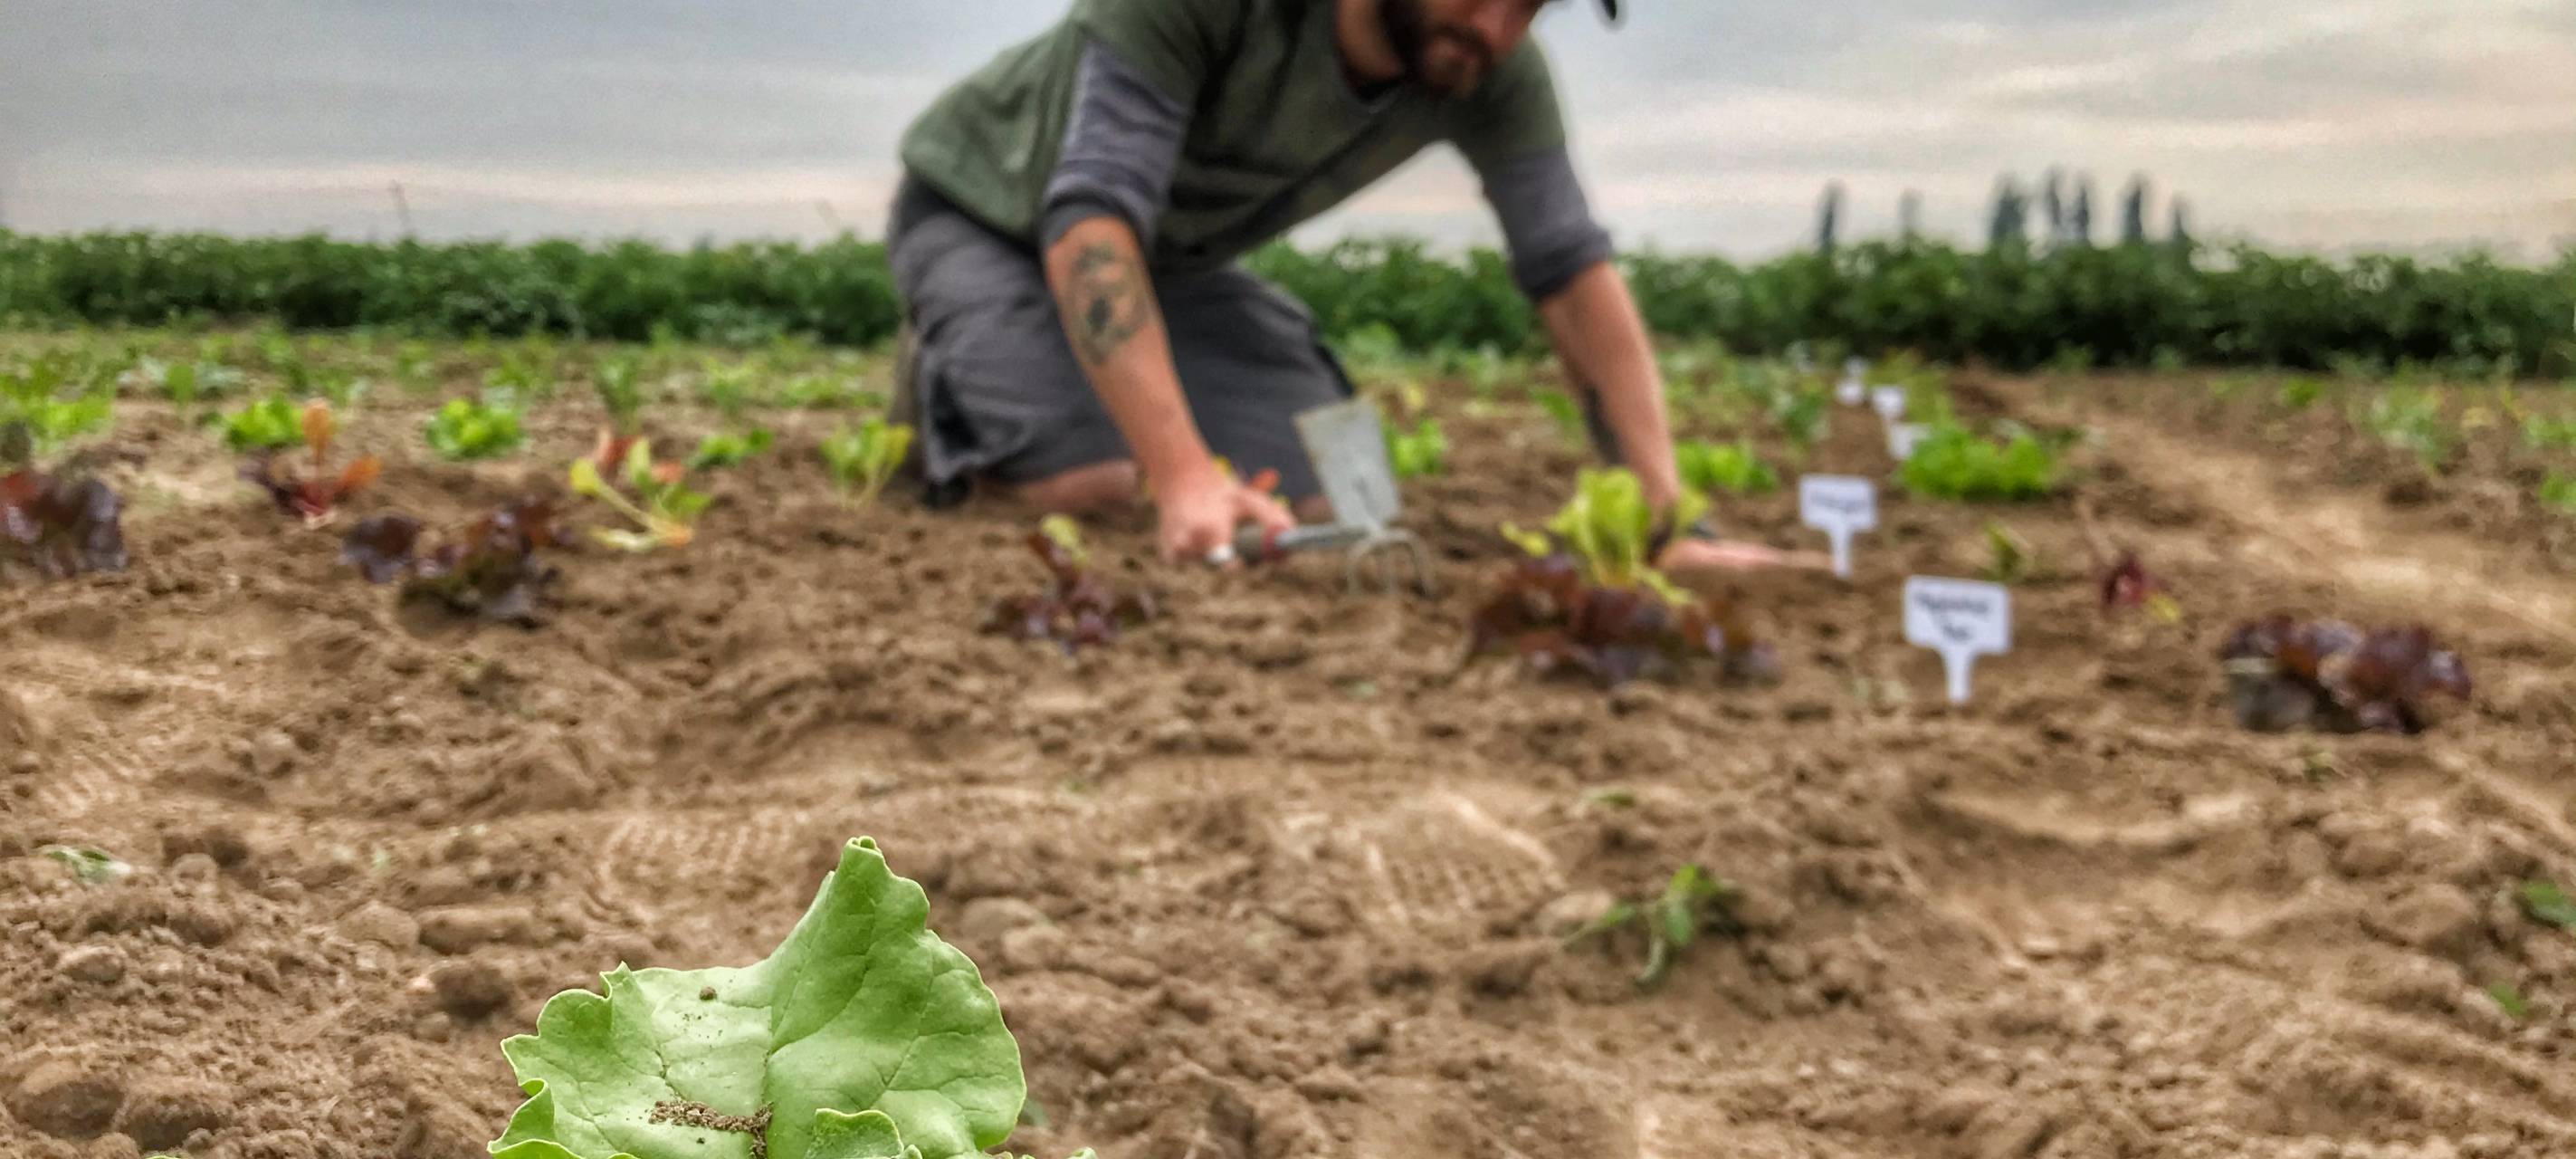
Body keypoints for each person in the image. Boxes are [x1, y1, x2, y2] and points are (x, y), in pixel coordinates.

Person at [887, 0, 1796, 571]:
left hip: (1173, 266)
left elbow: (1569, 271)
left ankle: (1094, 382)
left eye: (1530, 6)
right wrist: (1183, 474)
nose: (1495, 27)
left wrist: (1663, 512)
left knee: (1337, 494)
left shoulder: (1489, 68)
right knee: (1093, 479)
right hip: (983, 216)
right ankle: (953, 379)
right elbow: (1089, 220)